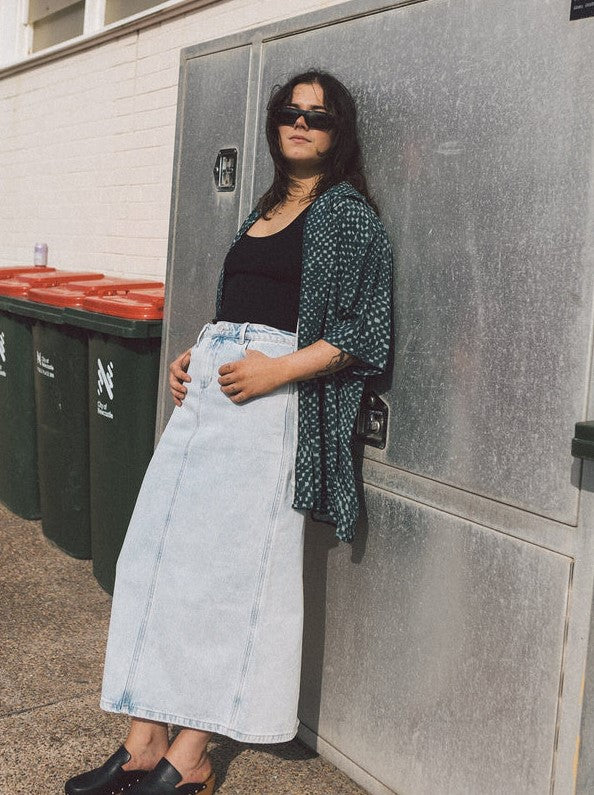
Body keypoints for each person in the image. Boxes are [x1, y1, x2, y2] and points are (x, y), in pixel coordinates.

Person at [64, 69, 393, 795]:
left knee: (227, 579)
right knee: (160, 560)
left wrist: (277, 374)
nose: (300, 122)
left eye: (319, 114)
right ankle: (142, 738)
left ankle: (192, 754)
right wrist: (195, 354)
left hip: (270, 407)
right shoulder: (268, 205)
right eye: (288, 110)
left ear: (340, 133)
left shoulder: (346, 215)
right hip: (214, 393)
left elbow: (364, 332)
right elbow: (244, 303)